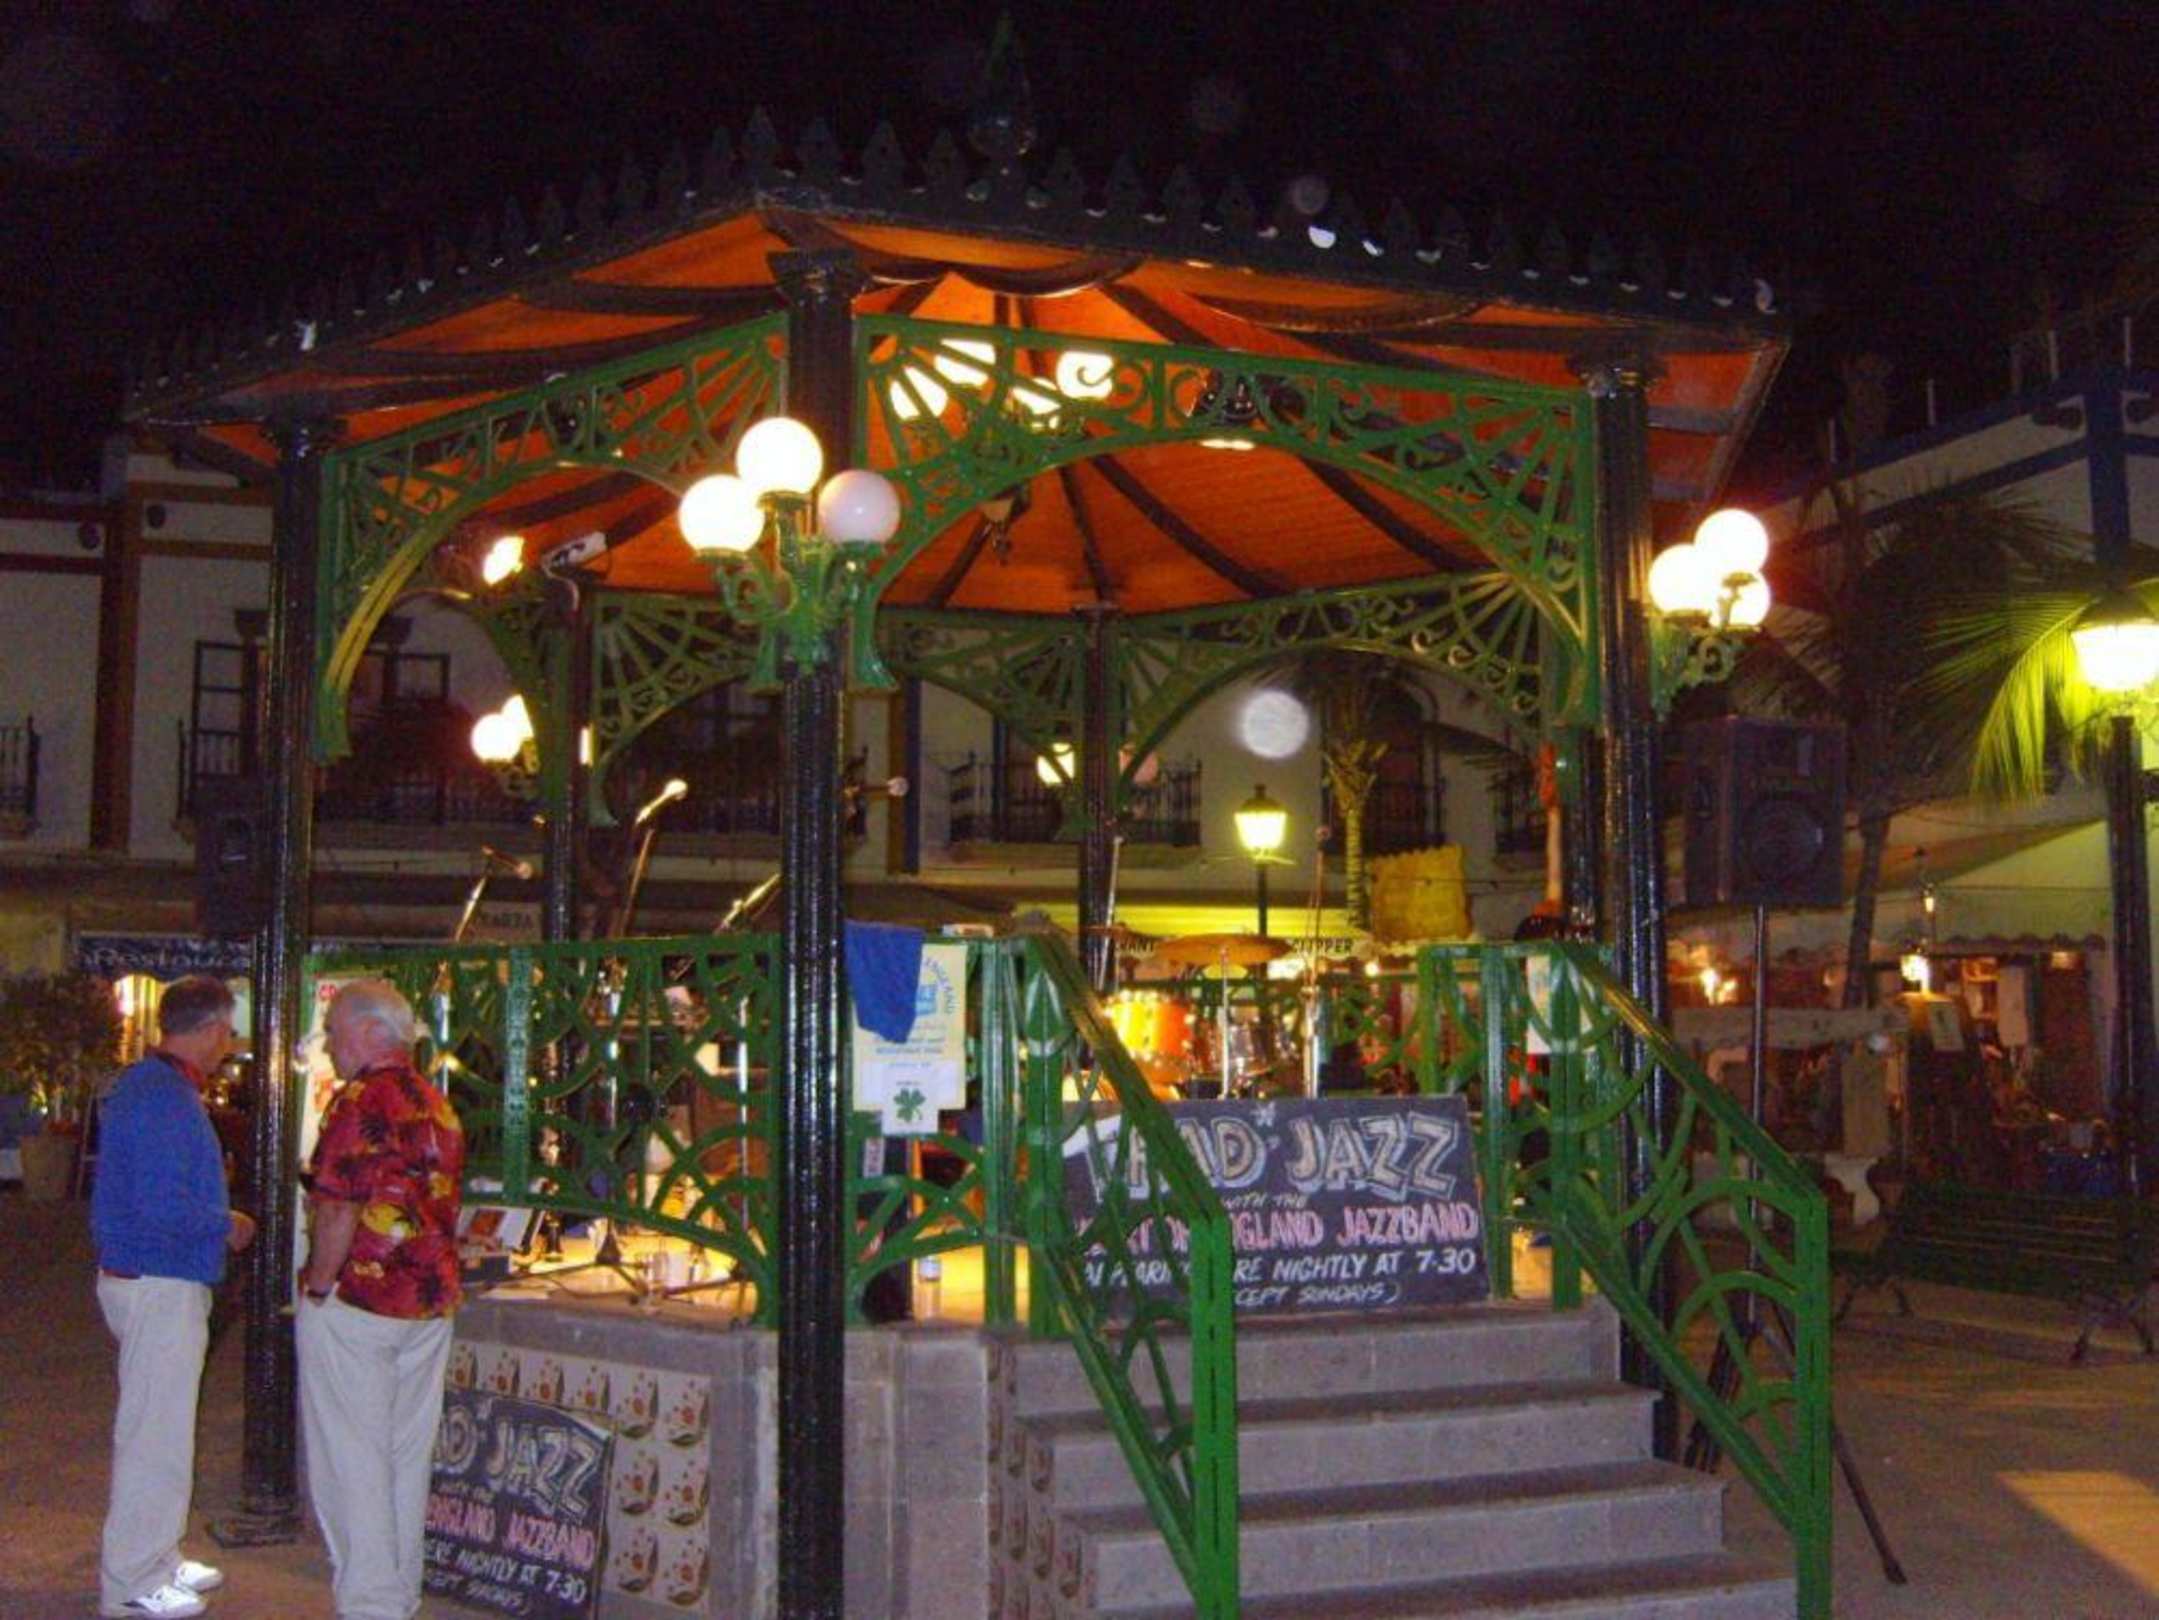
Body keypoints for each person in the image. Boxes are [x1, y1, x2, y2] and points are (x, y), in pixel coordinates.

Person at [296, 979, 465, 1620]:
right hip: (428, 1299)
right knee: (404, 1455)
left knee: (351, 1457)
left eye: (335, 1032)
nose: (329, 1046)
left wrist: (318, 1287)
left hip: (361, 1300)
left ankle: (370, 1601)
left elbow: (338, 1206)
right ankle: (399, 1590)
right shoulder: (435, 1102)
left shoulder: (361, 1100)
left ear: (371, 1032)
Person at [90, 975, 255, 1620]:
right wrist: (225, 1224)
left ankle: (156, 1557)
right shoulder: (163, 1096)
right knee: (153, 1436)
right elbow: (163, 1203)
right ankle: (132, 1580)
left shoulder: (152, 1088)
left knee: (163, 1428)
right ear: (210, 1029)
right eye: (227, 1031)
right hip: (160, 1278)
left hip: (152, 1275)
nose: (228, 1043)